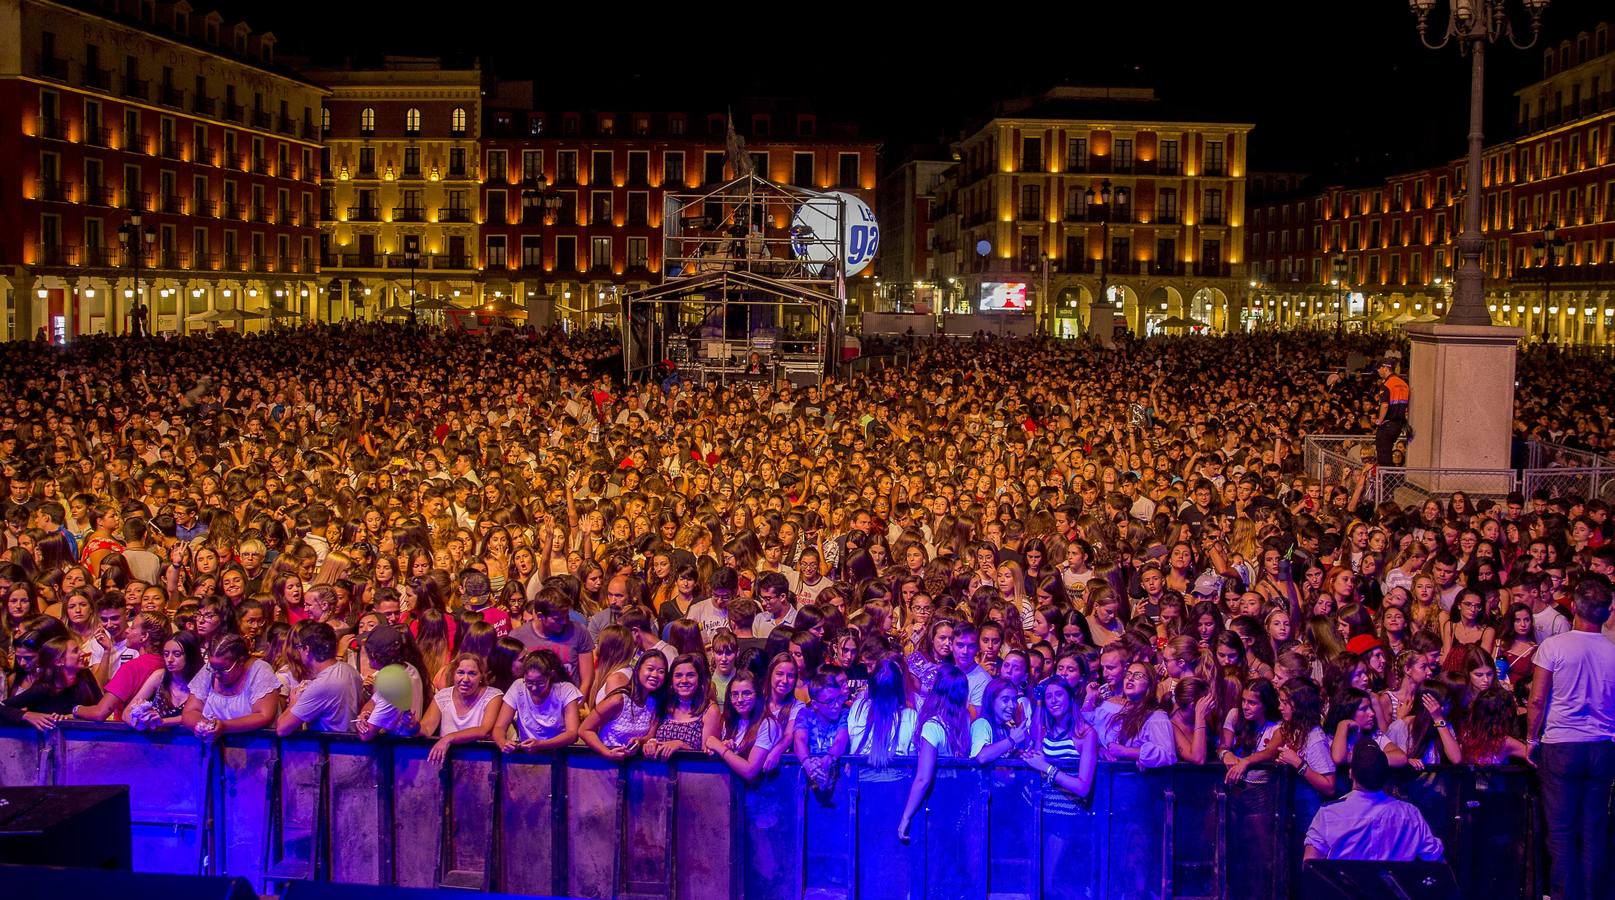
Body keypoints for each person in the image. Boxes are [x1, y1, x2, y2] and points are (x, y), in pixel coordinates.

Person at [1526, 576, 1615, 900]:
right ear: (1606, 613)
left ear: (1574, 607)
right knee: (1593, 830)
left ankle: (1563, 895)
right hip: (1603, 747)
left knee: (1561, 831)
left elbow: (1536, 700)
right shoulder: (1613, 651)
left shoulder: (1554, 646)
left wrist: (1531, 740)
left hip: (1561, 745)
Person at [1303, 741, 1444, 862]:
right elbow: (1434, 857)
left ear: (1351, 774)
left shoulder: (1328, 814)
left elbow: (1310, 866)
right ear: (1386, 775)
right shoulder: (1410, 814)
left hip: (1345, 893)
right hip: (1392, 893)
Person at [181, 634, 281, 740]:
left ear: (241, 661)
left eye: (223, 670)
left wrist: (224, 726)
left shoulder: (260, 670)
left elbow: (264, 716)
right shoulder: (212, 668)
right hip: (216, 750)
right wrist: (203, 725)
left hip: (256, 749)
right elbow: (190, 712)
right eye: (213, 668)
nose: (216, 674)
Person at [274, 622, 362, 735]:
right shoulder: (350, 670)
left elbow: (282, 728)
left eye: (300, 647)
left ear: (306, 649)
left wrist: (293, 702)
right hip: (351, 747)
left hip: (330, 749)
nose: (298, 652)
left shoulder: (321, 685)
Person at [415, 652, 504, 764]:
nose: (465, 679)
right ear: (454, 674)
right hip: (448, 763)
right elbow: (427, 728)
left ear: (481, 676)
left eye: (472, 673)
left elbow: (483, 730)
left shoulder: (493, 696)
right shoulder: (443, 696)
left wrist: (448, 738)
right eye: (460, 672)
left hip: (481, 763)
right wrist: (413, 726)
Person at [495, 648, 583, 752]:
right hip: (528, 754)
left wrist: (541, 745)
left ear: (551, 675)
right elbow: (499, 726)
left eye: (540, 683)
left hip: (560, 753)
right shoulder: (518, 686)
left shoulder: (566, 690)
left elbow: (572, 734)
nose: (534, 688)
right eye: (529, 682)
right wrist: (502, 742)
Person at [1373, 358, 1409, 467]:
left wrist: (1379, 421)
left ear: (1385, 368)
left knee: (1383, 453)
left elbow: (1384, 405)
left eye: (1379, 368)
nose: (1378, 371)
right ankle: (1390, 478)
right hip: (1399, 424)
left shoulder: (1387, 385)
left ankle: (1386, 480)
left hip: (1388, 423)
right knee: (1388, 450)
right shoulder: (1404, 384)